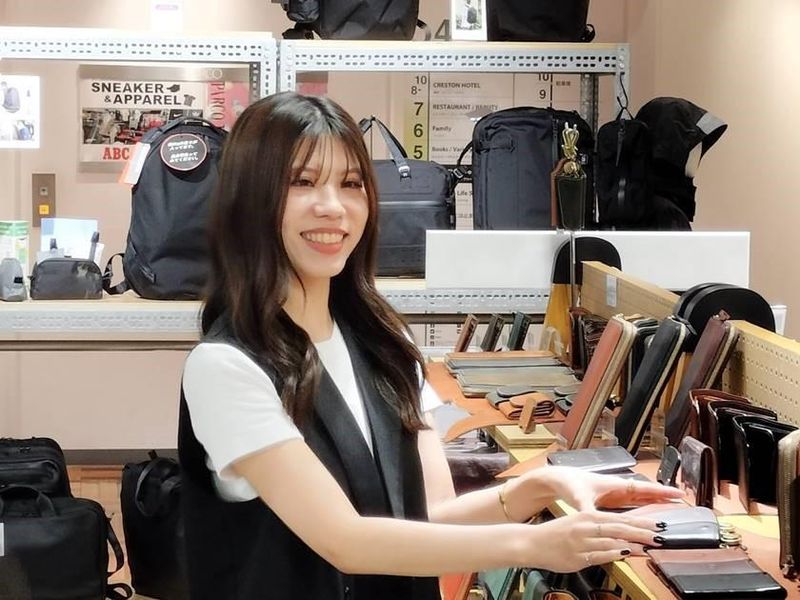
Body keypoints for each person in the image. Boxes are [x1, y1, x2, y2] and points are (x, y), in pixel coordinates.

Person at [178, 91, 683, 600]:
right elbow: (344, 541)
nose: (332, 207)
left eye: (351, 184)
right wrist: (532, 545)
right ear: (249, 200)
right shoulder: (227, 368)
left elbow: (432, 516)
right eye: (302, 182)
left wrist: (542, 488)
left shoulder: (385, 343)